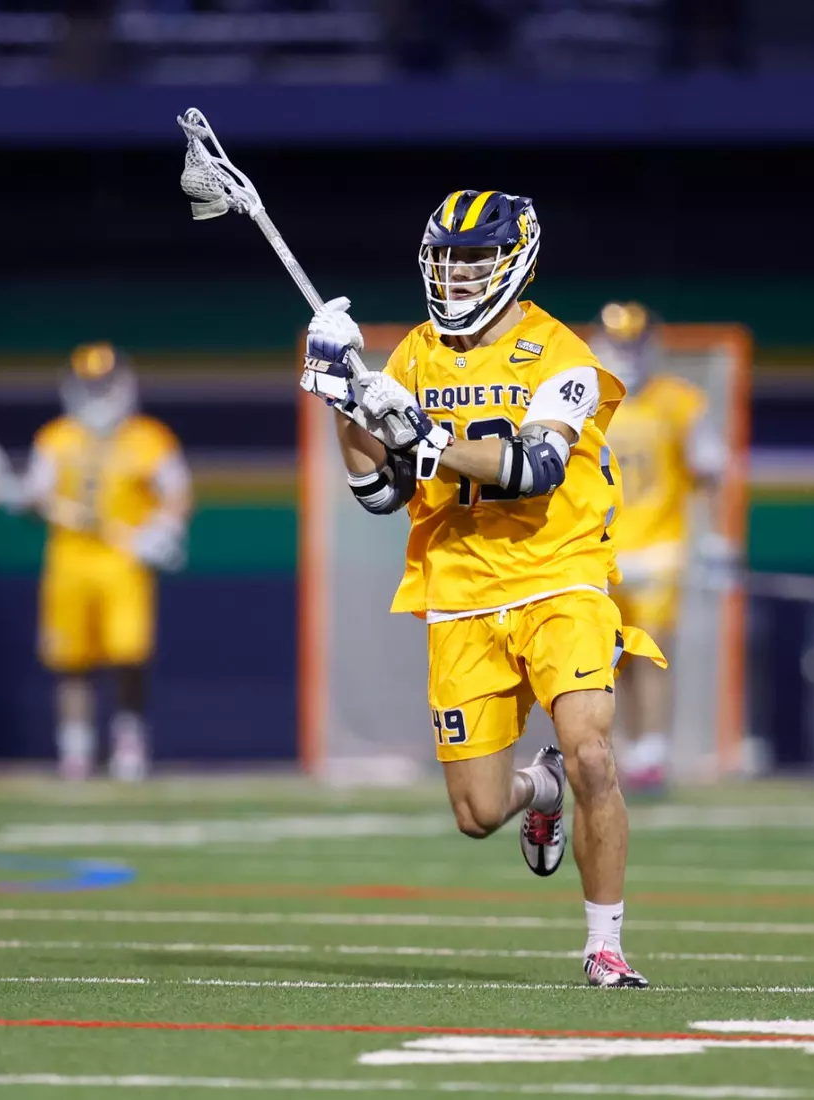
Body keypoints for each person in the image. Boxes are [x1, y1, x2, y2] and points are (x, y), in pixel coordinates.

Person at [298, 190, 666, 987]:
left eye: (475, 259)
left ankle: (605, 946)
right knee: (479, 814)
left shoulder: (562, 354)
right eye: (448, 260)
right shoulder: (413, 358)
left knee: (597, 752)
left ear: (516, 260)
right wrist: (343, 403)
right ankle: (545, 788)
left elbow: (536, 468)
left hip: (559, 574)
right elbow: (379, 496)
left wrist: (428, 437)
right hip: (461, 591)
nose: (459, 275)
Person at [22, 342, 192, 781]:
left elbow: (176, 491)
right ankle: (75, 751)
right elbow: (36, 497)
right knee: (71, 661)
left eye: (105, 383)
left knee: (128, 655)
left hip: (123, 561)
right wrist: (33, 502)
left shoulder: (148, 437)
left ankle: (129, 746)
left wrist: (163, 531)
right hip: (70, 562)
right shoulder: (55, 438)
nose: (98, 393)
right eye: (89, 384)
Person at [592, 301, 730, 793]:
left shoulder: (680, 402)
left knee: (650, 649)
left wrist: (716, 539)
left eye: (634, 342)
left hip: (658, 547)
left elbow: (710, 470)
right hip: (599, 547)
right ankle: (629, 748)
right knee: (612, 657)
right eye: (618, 342)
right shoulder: (586, 399)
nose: (626, 352)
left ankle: (652, 749)